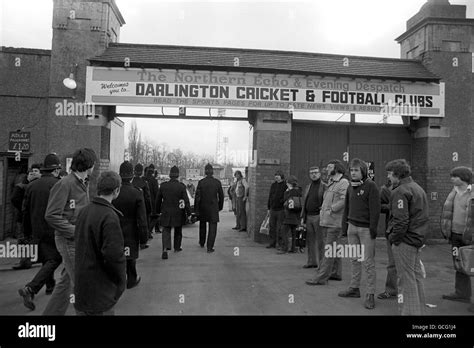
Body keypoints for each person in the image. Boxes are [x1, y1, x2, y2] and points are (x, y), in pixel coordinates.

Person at [43, 148, 96, 315]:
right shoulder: (65, 184)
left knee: (66, 282)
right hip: (68, 241)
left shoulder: (83, 183)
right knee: (82, 284)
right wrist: (75, 231)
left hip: (77, 239)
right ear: (90, 165)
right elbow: (51, 215)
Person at [74, 171, 126, 316]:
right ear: (116, 191)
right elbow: (114, 255)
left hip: (82, 288)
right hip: (101, 292)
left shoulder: (84, 211)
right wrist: (121, 281)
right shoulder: (110, 216)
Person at [18, 154, 63, 311]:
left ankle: (50, 285)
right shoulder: (59, 184)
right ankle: (31, 288)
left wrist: (27, 232)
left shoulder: (32, 186)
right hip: (53, 229)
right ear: (56, 169)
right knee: (54, 259)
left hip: (37, 229)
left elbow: (25, 211)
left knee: (47, 257)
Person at [386, 159, 428, 315]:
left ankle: (408, 312)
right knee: (416, 276)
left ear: (397, 174)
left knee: (405, 279)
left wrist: (394, 238)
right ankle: (419, 310)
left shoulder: (400, 191)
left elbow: (401, 221)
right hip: (417, 239)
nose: (388, 177)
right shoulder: (417, 188)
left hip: (405, 241)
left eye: (390, 174)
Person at [339, 158, 380, 309]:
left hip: (366, 230)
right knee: (354, 260)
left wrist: (373, 230)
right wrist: (345, 228)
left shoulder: (371, 186)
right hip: (352, 228)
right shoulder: (350, 187)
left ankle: (370, 294)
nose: (353, 173)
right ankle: (354, 288)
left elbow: (375, 211)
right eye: (351, 170)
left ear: (363, 171)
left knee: (368, 263)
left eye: (356, 170)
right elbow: (346, 208)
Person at [306, 160, 349, 285]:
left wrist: (332, 209)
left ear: (337, 168)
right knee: (334, 249)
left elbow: (344, 199)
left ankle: (321, 278)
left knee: (328, 250)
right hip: (327, 221)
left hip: (334, 222)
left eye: (330, 167)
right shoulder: (331, 183)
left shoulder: (343, 182)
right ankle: (335, 273)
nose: (326, 169)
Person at [440, 166, 474, 313]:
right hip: (455, 235)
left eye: (455, 176)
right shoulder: (453, 192)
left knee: (472, 266)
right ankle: (461, 293)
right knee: (458, 264)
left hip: (470, 236)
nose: (452, 179)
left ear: (464, 178)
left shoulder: (472, 192)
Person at [112, 161, 148, 289]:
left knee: (115, 254)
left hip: (114, 228)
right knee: (130, 256)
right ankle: (131, 278)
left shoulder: (113, 192)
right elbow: (142, 219)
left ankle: (116, 279)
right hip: (131, 230)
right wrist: (144, 238)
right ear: (132, 175)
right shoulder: (137, 193)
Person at [156, 166, 191, 259]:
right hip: (178, 211)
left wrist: (157, 211)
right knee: (178, 230)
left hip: (166, 211)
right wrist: (189, 213)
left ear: (170, 175)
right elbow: (186, 201)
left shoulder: (163, 186)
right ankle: (177, 247)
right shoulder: (181, 186)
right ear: (178, 175)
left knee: (166, 230)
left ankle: (165, 249)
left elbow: (158, 200)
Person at [11, 164, 42, 270]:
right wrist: (24, 209)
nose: (34, 173)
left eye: (36, 171)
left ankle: (29, 260)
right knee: (23, 239)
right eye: (32, 171)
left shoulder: (36, 184)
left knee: (32, 239)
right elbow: (15, 199)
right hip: (24, 218)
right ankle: (25, 261)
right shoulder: (22, 185)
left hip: (33, 217)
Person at [195, 164, 224, 253]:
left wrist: (197, 209)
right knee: (213, 228)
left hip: (203, 207)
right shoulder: (217, 182)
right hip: (213, 207)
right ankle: (209, 247)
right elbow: (221, 196)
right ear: (212, 172)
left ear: (205, 172)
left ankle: (202, 242)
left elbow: (197, 197)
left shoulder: (201, 182)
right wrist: (219, 207)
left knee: (202, 225)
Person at [300, 166, 325, 267]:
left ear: (319, 174)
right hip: (308, 216)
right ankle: (312, 262)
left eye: (315, 172)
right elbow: (304, 202)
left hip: (318, 216)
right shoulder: (308, 186)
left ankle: (322, 264)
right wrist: (303, 216)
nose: (314, 174)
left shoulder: (324, 186)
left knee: (320, 242)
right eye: (311, 173)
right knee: (310, 241)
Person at [377, 179, 398, 300]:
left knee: (408, 264)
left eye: (391, 173)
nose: (389, 175)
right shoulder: (385, 189)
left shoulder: (410, 188)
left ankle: (408, 291)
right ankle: (392, 290)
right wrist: (391, 206)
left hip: (407, 232)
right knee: (392, 263)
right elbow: (379, 205)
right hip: (391, 231)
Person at [277, 175, 302, 254]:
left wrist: (287, 192)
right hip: (296, 215)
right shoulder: (299, 191)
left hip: (288, 214)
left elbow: (285, 200)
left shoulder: (289, 191)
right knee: (294, 232)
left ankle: (284, 248)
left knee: (284, 231)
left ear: (289, 183)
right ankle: (293, 248)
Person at [266, 170, 287, 249]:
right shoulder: (273, 185)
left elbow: (286, 196)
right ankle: (272, 243)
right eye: (275, 175)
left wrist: (281, 202)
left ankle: (280, 244)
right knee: (272, 227)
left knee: (280, 228)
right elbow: (270, 196)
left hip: (281, 209)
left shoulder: (285, 185)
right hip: (272, 209)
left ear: (281, 176)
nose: (276, 177)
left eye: (278, 175)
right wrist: (268, 207)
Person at [131, 163, 151, 238]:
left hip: (132, 206)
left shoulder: (131, 182)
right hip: (143, 206)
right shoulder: (144, 183)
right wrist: (149, 209)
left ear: (134, 171)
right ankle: (143, 238)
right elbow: (147, 197)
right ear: (142, 172)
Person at [144, 164, 160, 234]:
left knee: (147, 217)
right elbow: (156, 192)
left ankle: (148, 231)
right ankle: (149, 231)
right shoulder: (154, 180)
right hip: (152, 201)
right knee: (155, 216)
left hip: (144, 200)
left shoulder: (144, 179)